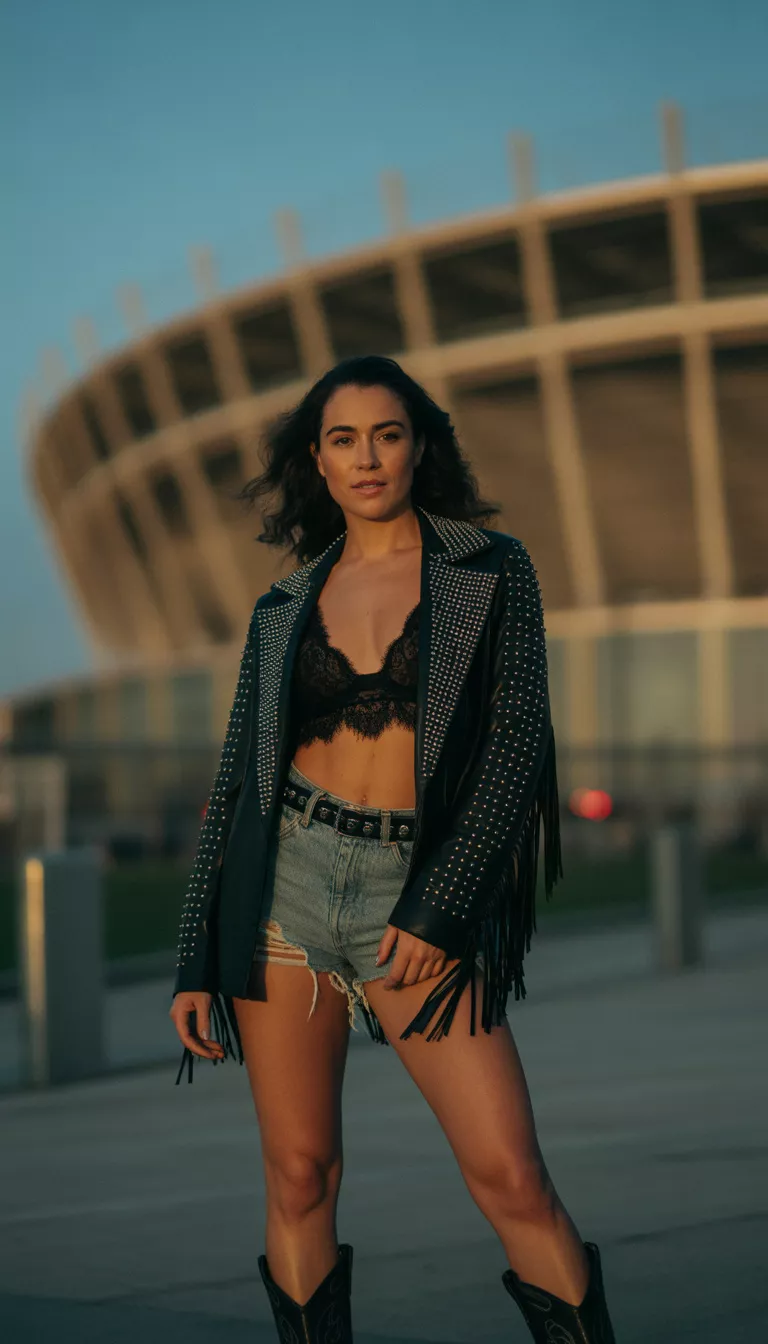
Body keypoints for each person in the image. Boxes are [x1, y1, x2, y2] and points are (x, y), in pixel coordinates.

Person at [170, 355, 616, 1343]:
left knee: (510, 1172)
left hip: (414, 895)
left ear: (419, 446)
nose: (366, 456)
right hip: (286, 895)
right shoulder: (282, 609)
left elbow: (516, 742)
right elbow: (237, 785)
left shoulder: (489, 569)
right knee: (299, 1174)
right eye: (342, 439)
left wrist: (440, 903)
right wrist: (198, 955)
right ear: (317, 464)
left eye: (386, 433)